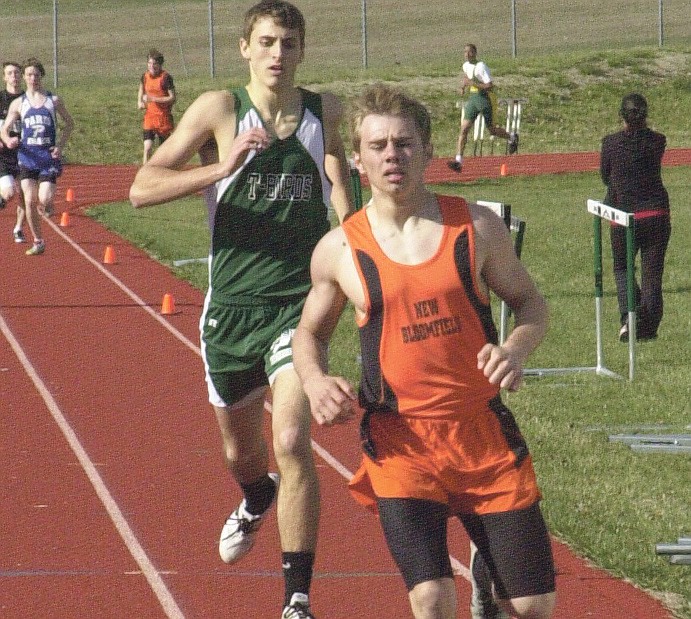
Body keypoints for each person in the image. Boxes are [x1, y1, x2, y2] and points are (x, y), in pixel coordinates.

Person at [293, 83, 556, 619]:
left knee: (532, 608)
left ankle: (489, 572)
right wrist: (316, 381)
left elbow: (530, 303)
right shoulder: (340, 249)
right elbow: (308, 335)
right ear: (359, 162)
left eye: (404, 143)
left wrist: (515, 348)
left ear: (428, 151)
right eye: (379, 145)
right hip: (401, 444)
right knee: (432, 598)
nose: (393, 155)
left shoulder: (477, 226)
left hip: (481, 435)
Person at [129, 2, 354, 618]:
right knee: (240, 452)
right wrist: (219, 170)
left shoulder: (323, 110)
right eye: (267, 41)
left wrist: (349, 222)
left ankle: (297, 599)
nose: (278, 52)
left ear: (303, 50)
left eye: (288, 42)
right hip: (231, 309)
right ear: (244, 48)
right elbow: (140, 188)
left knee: (290, 437)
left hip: (297, 306)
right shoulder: (220, 109)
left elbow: (335, 164)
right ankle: (256, 496)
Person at [600, 93, 671, 342]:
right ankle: (648, 326)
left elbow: (605, 176)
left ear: (621, 116)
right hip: (655, 214)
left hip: (623, 214)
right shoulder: (658, 141)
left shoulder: (610, 143)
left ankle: (629, 319)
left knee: (622, 269)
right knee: (652, 275)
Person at [0, 57, 73, 256]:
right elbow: (4, 129)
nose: (33, 78)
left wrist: (60, 146)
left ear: (41, 76)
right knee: (30, 200)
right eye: (29, 75)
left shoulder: (53, 100)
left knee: (44, 198)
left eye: (36, 74)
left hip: (47, 157)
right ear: (24, 77)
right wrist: (8, 140)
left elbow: (69, 123)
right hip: (27, 158)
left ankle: (49, 205)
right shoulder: (18, 103)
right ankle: (38, 241)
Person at [448, 44, 518, 174]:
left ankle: (512, 137)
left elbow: (490, 85)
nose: (467, 55)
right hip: (473, 99)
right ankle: (458, 161)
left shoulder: (481, 67)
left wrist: (473, 84)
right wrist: (463, 87)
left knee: (492, 130)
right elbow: (466, 78)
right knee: (464, 129)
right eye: (465, 52)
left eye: (469, 52)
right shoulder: (465, 66)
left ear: (475, 53)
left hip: (486, 99)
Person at [0, 61, 25, 241]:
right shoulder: (0, 98)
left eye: (17, 73)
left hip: (24, 153)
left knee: (26, 196)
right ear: (4, 77)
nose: (14, 77)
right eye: (10, 73)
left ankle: (18, 228)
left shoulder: (27, 99)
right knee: (9, 193)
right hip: (3, 155)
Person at [137, 49, 176, 164]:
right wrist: (139, 101)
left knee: (164, 151)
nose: (151, 66)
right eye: (149, 63)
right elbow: (141, 87)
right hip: (150, 118)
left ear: (160, 65)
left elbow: (172, 98)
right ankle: (145, 172)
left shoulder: (165, 78)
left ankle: (165, 170)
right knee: (147, 148)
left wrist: (153, 99)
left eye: (154, 64)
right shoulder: (145, 76)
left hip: (163, 119)